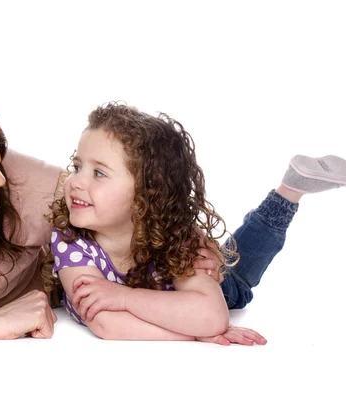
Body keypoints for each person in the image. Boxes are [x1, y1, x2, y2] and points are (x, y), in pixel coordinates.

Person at [0, 68, 344, 341]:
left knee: (234, 271)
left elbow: (132, 199)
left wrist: (191, 246)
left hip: (159, 286)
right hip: (139, 302)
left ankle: (286, 196)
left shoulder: (32, 189)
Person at [47, 103, 346, 344]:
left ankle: (288, 192)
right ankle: (289, 190)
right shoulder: (70, 239)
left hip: (219, 286)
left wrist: (123, 297)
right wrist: (197, 334)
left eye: (98, 173)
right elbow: (107, 323)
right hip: (181, 307)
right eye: (77, 166)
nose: (75, 181)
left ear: (145, 195)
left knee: (237, 277)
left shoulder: (172, 235)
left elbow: (213, 314)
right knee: (229, 257)